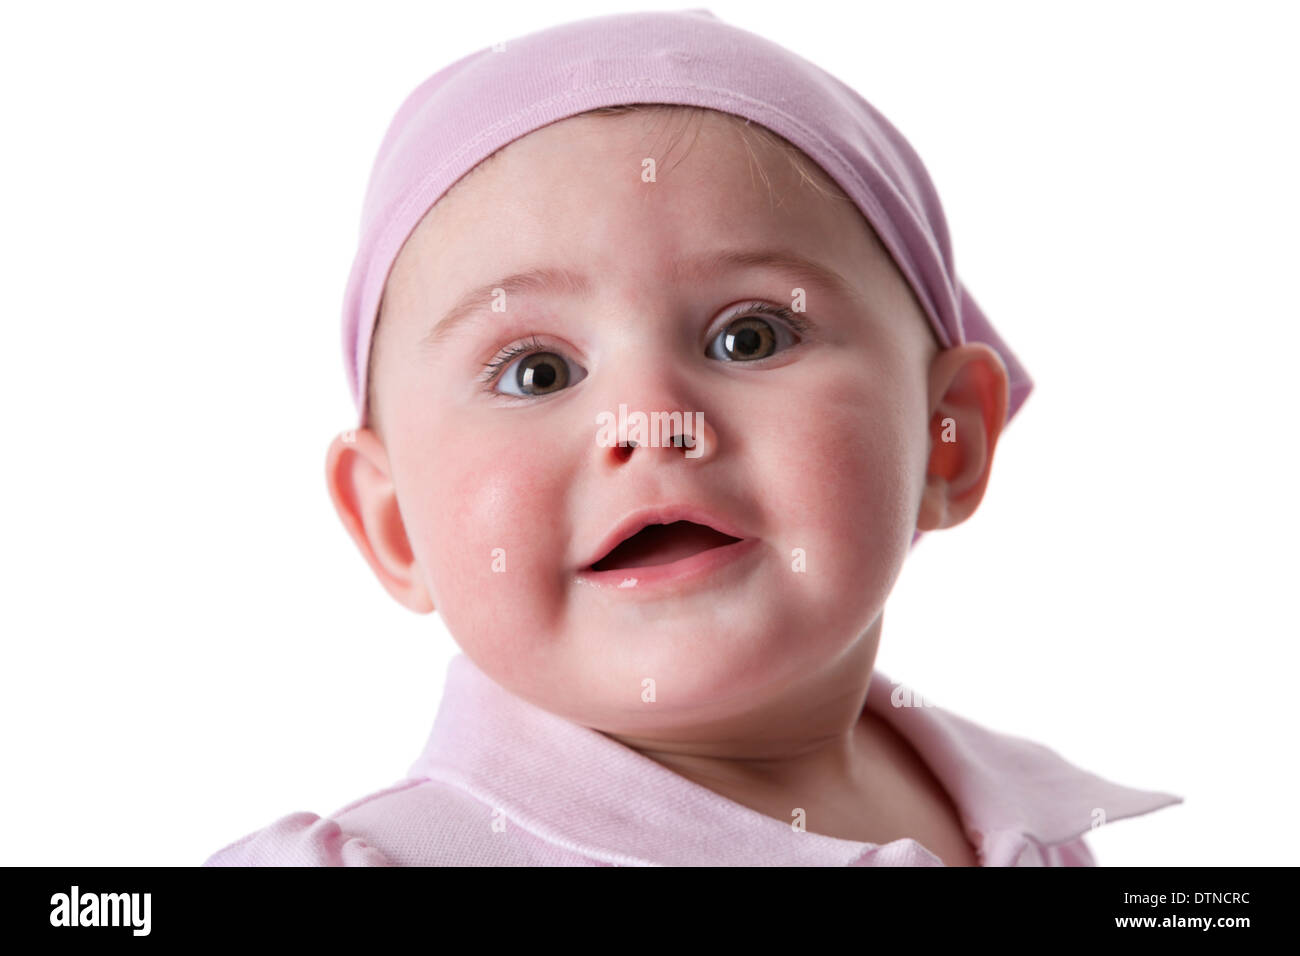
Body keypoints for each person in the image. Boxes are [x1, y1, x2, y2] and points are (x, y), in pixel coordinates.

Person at [205, 9, 1181, 867]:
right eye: (536, 371)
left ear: (947, 437)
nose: (650, 420)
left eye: (748, 335)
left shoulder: (1030, 831)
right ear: (393, 524)